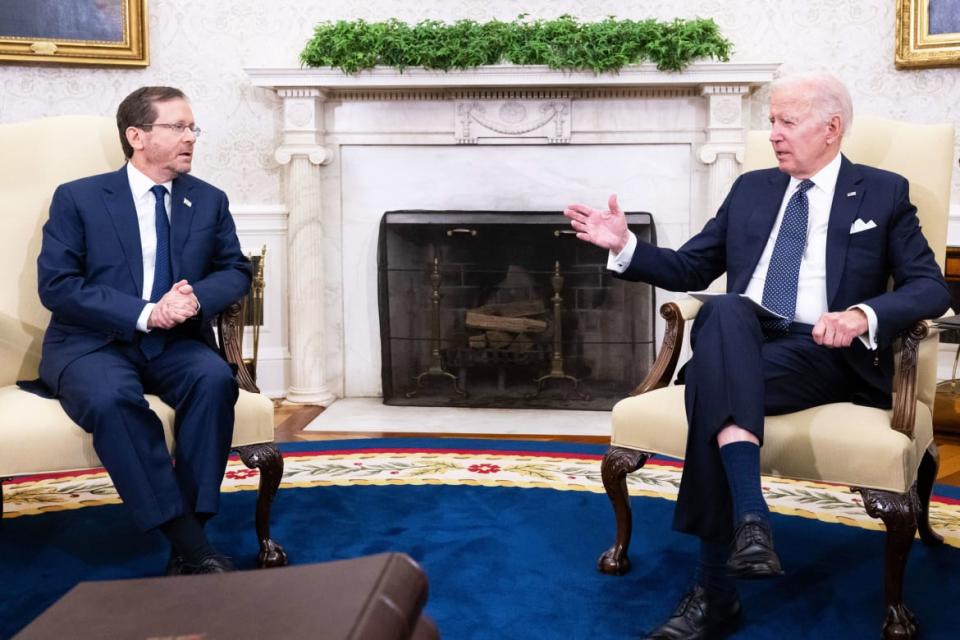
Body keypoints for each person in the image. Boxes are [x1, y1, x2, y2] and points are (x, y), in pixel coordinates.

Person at [564, 71, 951, 639]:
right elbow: (693, 267)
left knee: (712, 378)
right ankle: (750, 514)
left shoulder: (882, 192)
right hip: (742, 341)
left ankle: (715, 588)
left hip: (822, 352)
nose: (772, 134)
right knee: (725, 310)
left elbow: (929, 287)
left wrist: (860, 315)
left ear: (831, 128)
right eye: (770, 121)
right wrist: (626, 247)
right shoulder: (752, 188)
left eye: (786, 122)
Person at [34, 86, 251, 575]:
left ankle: (188, 532)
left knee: (215, 380)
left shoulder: (208, 200)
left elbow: (235, 270)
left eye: (193, 128)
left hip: (174, 343)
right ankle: (192, 544)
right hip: (92, 343)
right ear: (137, 136)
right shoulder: (79, 198)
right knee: (113, 401)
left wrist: (193, 298)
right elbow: (58, 286)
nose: (191, 137)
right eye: (177, 127)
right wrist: (145, 312)